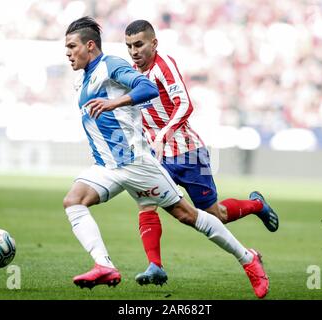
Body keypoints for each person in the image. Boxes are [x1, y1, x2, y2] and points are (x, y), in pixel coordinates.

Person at [64, 16, 269, 299]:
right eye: (130, 45)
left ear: (89, 46)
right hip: (110, 165)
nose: (68, 52)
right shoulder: (84, 78)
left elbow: (148, 90)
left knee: (192, 215)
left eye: (72, 46)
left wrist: (115, 103)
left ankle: (248, 258)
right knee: (74, 201)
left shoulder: (113, 66)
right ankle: (107, 265)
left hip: (145, 160)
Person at [124, 20, 279, 287]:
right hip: (158, 157)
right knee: (146, 201)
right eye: (129, 46)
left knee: (215, 215)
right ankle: (155, 266)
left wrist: (162, 136)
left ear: (154, 43)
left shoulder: (164, 66)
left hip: (189, 153)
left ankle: (256, 205)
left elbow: (184, 104)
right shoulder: (131, 73)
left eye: (139, 44)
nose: (134, 51)